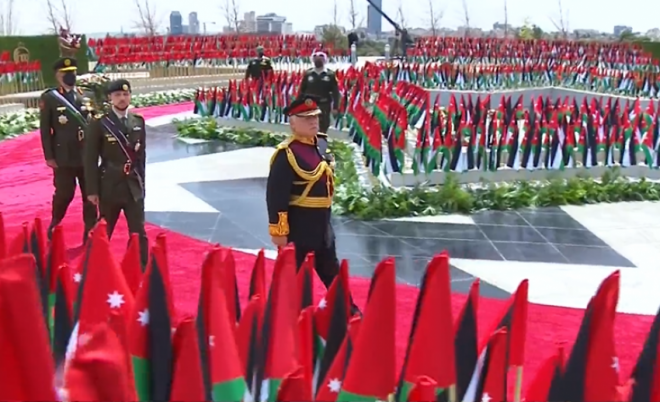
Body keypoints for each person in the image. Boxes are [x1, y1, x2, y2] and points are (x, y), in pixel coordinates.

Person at [266, 94, 339, 286]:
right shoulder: (287, 154)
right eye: (306, 118)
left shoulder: (320, 145)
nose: (313, 121)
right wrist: (279, 231)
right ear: (293, 123)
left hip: (323, 226)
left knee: (334, 278)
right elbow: (276, 195)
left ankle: (345, 305)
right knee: (289, 283)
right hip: (299, 228)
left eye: (315, 116)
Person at [83, 79, 148, 268]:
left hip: (133, 187)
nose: (122, 98)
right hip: (109, 186)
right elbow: (90, 159)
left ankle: (142, 269)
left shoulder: (138, 121)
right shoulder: (99, 123)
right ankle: (94, 267)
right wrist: (92, 191)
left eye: (125, 94)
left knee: (138, 232)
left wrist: (143, 184)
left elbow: (141, 158)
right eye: (117, 95)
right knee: (104, 231)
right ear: (110, 97)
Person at [39, 56, 98, 242]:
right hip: (63, 155)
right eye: (65, 73)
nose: (70, 75)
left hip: (86, 154)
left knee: (90, 194)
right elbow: (45, 129)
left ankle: (90, 229)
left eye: (72, 72)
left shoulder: (87, 95)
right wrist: (49, 156)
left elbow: (96, 124)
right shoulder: (50, 98)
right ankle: (55, 222)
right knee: (65, 193)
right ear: (58, 76)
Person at [298, 51, 340, 134]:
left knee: (323, 127)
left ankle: (321, 141)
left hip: (324, 105)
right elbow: (301, 90)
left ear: (325, 60)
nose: (318, 60)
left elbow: (335, 92)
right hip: (309, 104)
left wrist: (335, 107)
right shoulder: (308, 74)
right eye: (316, 58)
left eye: (320, 58)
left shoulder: (330, 75)